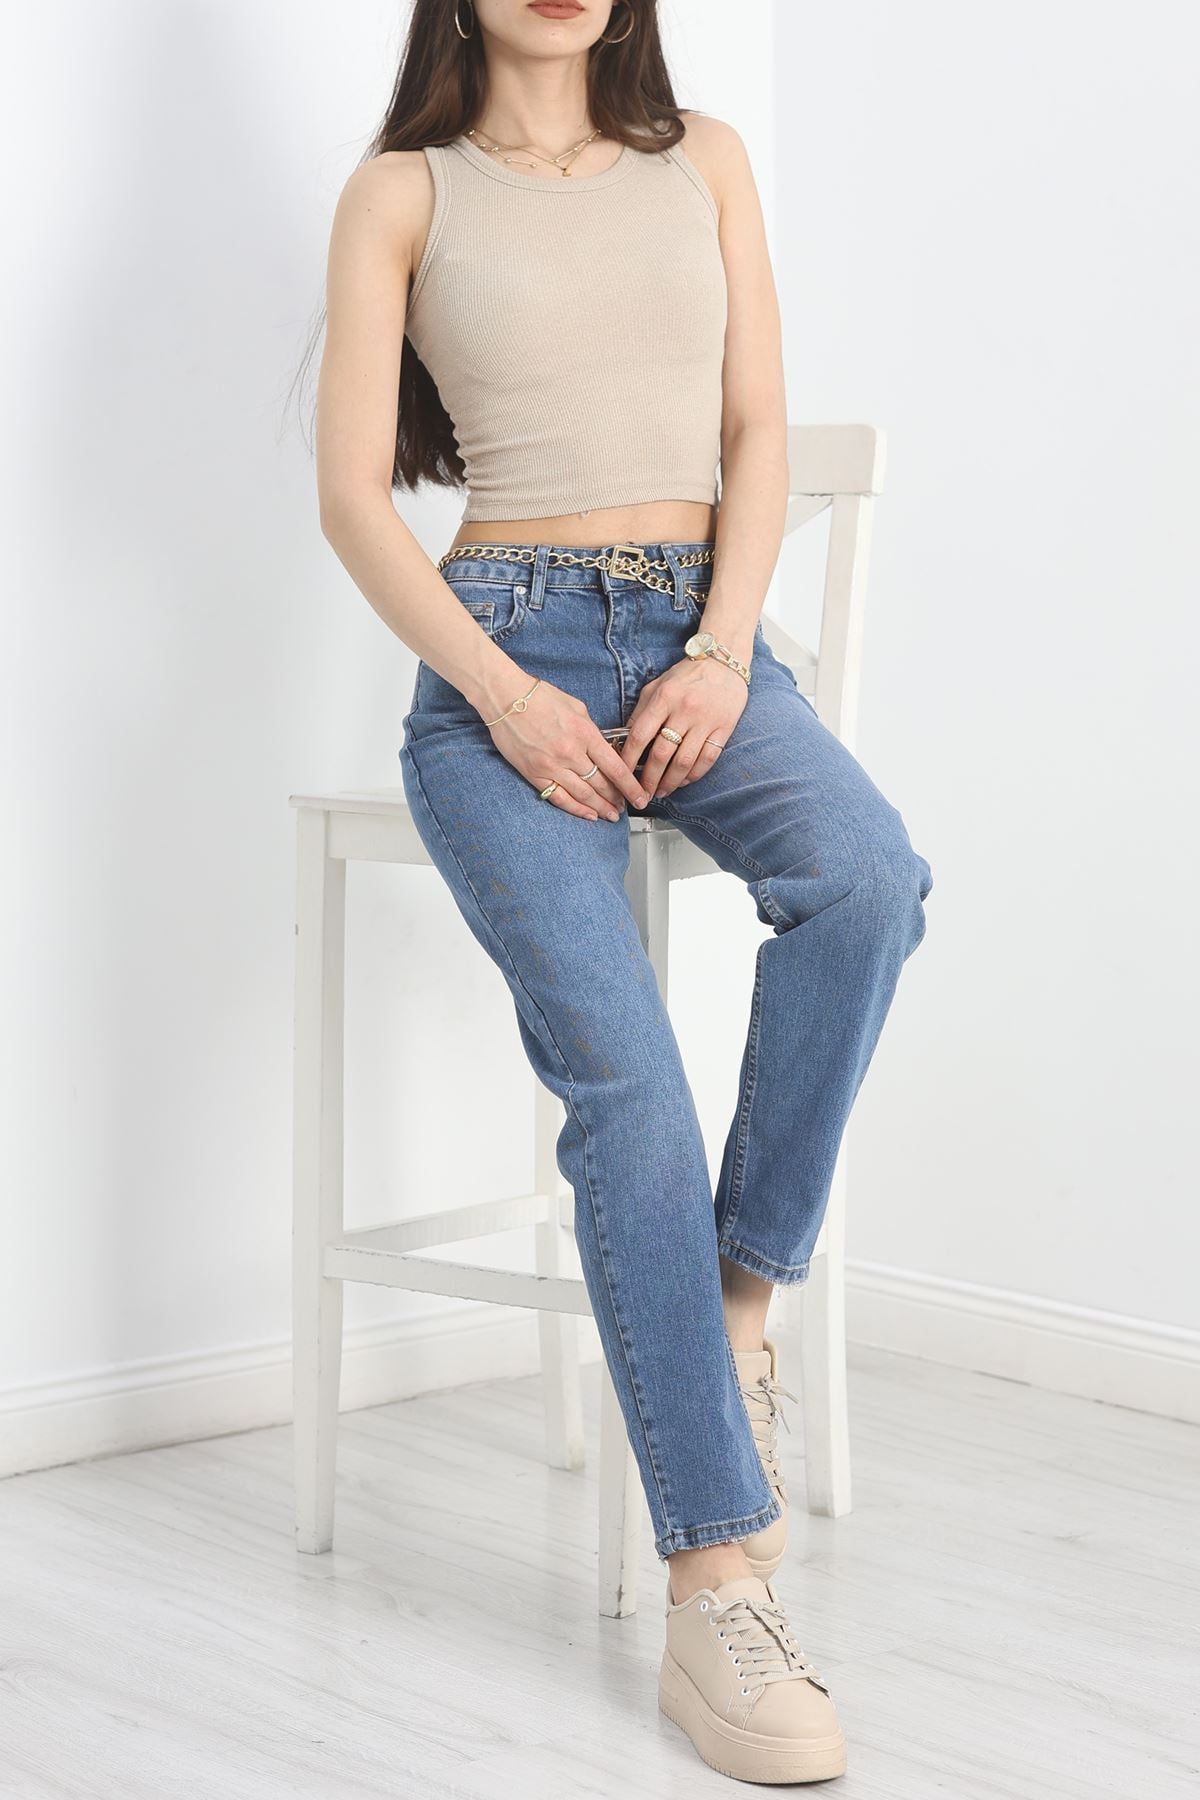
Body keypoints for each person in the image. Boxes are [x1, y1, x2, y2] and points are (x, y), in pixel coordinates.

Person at [314, 0, 932, 1782]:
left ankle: (733, 1313)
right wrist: (507, 700)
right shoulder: (405, 192)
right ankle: (715, 1590)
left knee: (868, 880)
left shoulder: (705, 163)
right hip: (497, 661)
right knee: (630, 1084)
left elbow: (757, 428)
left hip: (699, 645)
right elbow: (352, 497)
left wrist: (726, 651)